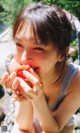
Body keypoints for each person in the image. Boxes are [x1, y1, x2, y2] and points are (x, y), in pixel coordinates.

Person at [0, 2, 80, 133]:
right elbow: (24, 126)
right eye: (19, 44)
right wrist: (23, 96)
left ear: (62, 53)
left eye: (38, 48)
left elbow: (52, 129)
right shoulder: (17, 65)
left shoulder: (76, 80)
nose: (24, 58)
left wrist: (37, 98)